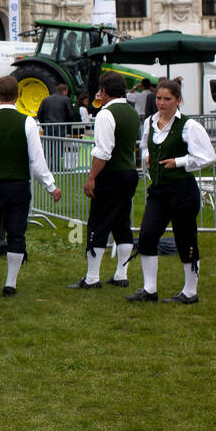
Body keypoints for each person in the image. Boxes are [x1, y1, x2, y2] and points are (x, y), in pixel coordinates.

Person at [0, 76, 61, 297]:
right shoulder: (28, 122)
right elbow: (37, 161)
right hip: (18, 185)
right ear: (18, 95)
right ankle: (10, 284)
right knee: (17, 234)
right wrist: (51, 186)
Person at [126, 79, 216, 304]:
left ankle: (190, 291)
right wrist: (148, 157)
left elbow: (208, 156)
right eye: (159, 98)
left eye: (167, 99)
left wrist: (180, 161)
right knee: (147, 235)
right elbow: (146, 145)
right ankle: (149, 289)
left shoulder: (189, 126)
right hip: (158, 190)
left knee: (185, 239)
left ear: (178, 100)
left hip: (183, 191)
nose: (162, 103)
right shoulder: (149, 122)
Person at [71, 72, 141, 290]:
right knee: (122, 224)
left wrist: (91, 177)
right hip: (130, 172)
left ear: (104, 91)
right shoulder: (132, 112)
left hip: (111, 174)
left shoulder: (105, 114)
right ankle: (121, 274)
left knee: (98, 223)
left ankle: (92, 277)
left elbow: (103, 151)